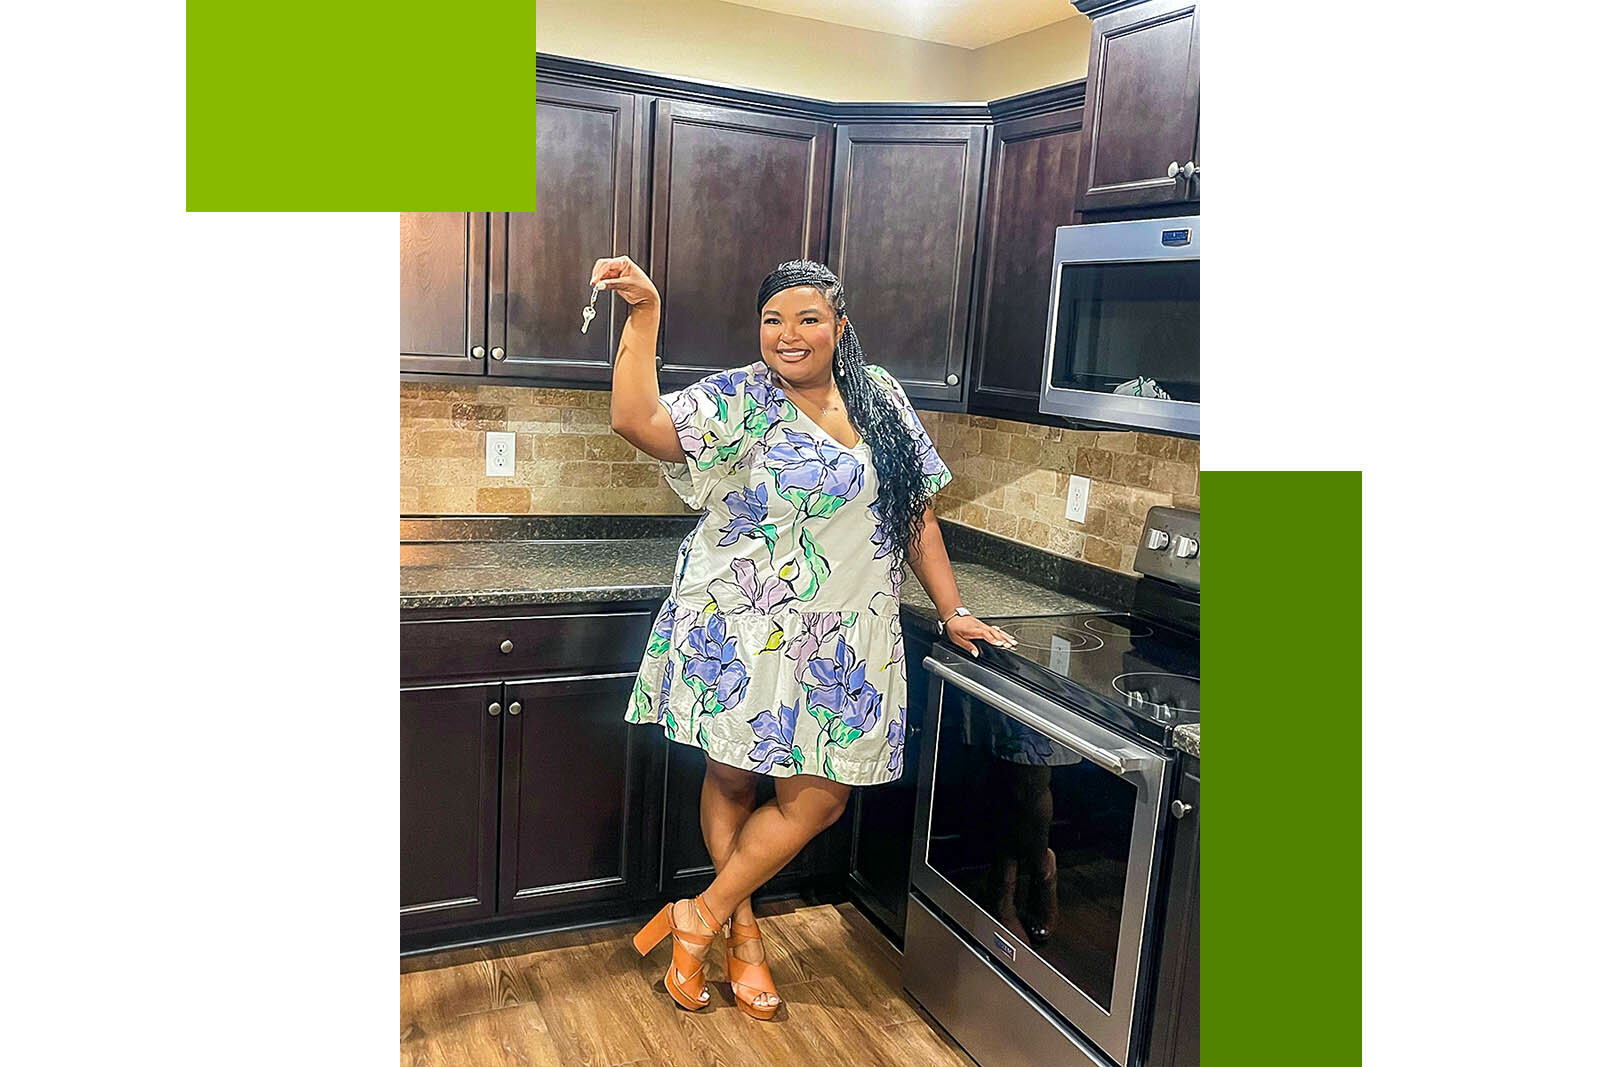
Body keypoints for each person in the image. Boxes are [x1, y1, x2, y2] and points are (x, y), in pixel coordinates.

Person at [596, 254, 1017, 1020]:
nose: (788, 335)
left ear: (839, 326)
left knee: (819, 799)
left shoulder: (881, 396)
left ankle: (701, 914)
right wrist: (645, 313)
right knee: (732, 780)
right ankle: (742, 935)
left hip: (849, 640)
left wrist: (952, 607)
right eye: (772, 320)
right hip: (744, 626)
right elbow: (636, 420)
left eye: (807, 318)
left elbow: (915, 512)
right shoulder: (742, 398)